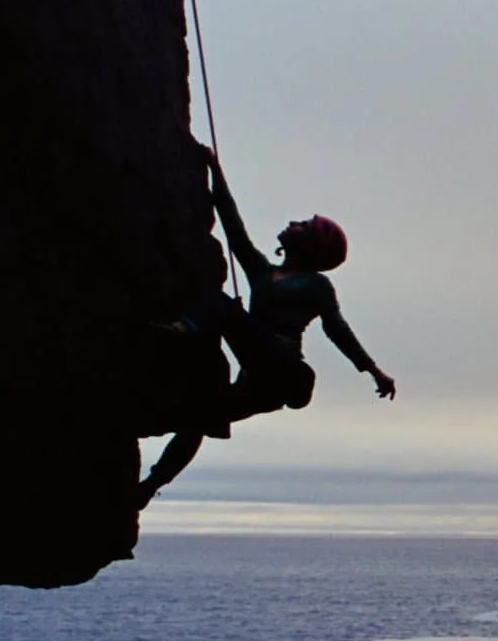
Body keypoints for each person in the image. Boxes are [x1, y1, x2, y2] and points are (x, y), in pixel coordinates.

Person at [136, 151, 396, 507]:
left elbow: (337, 330)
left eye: (303, 225)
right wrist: (215, 174)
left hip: (282, 368)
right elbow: (235, 232)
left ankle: (181, 330)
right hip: (260, 382)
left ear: (309, 246)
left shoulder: (316, 286)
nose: (293, 223)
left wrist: (372, 369)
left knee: (222, 306)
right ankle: (150, 486)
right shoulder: (262, 273)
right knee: (198, 417)